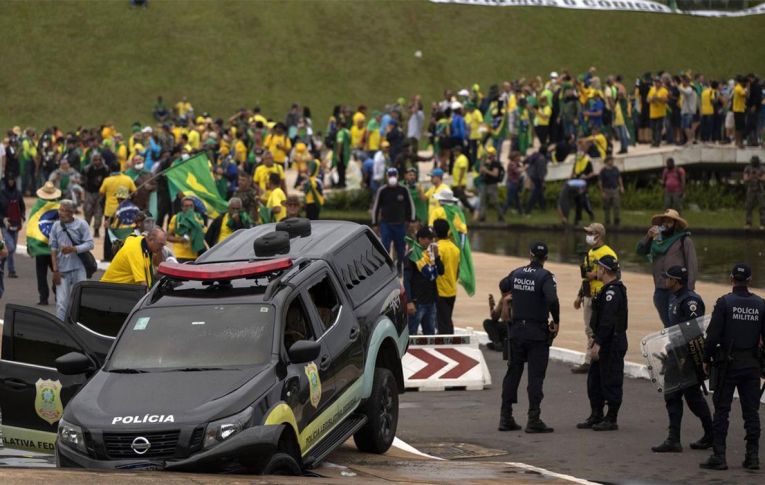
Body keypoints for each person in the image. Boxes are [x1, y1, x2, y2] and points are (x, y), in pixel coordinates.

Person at [700, 263, 764, 471]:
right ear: (750, 281)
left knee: (722, 411)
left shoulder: (725, 303)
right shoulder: (761, 305)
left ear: (731, 279)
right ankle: (752, 456)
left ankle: (719, 455)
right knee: (751, 412)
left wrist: (705, 359)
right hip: (752, 364)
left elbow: (712, 337)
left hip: (727, 364)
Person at [498, 242, 559, 433]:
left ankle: (505, 417)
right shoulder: (545, 276)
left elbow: (503, 284)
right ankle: (533, 419)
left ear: (530, 255)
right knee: (535, 376)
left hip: (516, 331)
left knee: (513, 373)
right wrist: (556, 320)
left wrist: (508, 298)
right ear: (546, 259)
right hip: (536, 333)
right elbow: (551, 299)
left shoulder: (516, 273)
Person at [651, 266, 713, 453]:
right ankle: (673, 439)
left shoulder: (691, 301)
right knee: (672, 395)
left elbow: (693, 332)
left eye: (668, 278)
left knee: (693, 398)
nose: (665, 281)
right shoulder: (674, 297)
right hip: (674, 354)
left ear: (676, 281)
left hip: (686, 357)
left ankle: (711, 434)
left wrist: (687, 358)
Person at [576, 255, 627, 432]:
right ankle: (596, 414)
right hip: (603, 340)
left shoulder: (613, 292)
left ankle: (611, 418)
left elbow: (608, 321)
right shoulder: (606, 290)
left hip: (611, 342)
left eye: (598, 268)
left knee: (611, 379)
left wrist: (597, 343)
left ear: (603, 270)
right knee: (594, 381)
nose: (595, 271)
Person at [636, 209, 697, 327]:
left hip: (678, 291)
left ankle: (681, 345)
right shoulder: (656, 240)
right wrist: (648, 236)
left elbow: (692, 266)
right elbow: (640, 251)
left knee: (680, 325)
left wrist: (689, 290)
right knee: (668, 325)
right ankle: (672, 345)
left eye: (669, 221)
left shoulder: (684, 240)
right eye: (664, 221)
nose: (666, 224)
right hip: (660, 289)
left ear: (676, 224)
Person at [571, 223, 618, 374]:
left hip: (602, 295)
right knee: (589, 329)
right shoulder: (590, 252)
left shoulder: (608, 253)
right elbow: (586, 277)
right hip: (589, 295)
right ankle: (591, 359)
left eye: (590, 233)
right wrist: (580, 296)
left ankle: (592, 360)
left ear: (598, 235)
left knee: (600, 329)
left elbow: (616, 275)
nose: (588, 235)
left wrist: (596, 275)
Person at [48, 200, 94, 321]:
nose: (60, 213)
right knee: (61, 303)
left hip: (79, 269)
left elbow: (90, 244)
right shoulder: (56, 226)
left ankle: (78, 326)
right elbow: (53, 250)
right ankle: (61, 330)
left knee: (79, 299)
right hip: (62, 270)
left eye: (64, 210)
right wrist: (55, 270)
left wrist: (74, 249)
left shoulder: (81, 224)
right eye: (60, 210)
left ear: (72, 212)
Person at [372, 167, 415, 275]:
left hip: (400, 225)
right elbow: (376, 207)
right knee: (385, 246)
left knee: (400, 248)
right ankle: (387, 268)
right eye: (390, 175)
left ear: (398, 176)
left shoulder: (404, 190)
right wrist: (374, 223)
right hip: (386, 224)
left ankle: (399, 265)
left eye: (394, 175)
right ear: (387, 177)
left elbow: (410, 206)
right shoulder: (382, 190)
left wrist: (411, 220)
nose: (392, 178)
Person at [404, 227, 443, 336]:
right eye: (427, 239)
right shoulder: (412, 255)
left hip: (431, 301)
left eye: (432, 239)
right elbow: (406, 280)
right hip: (417, 302)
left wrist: (437, 257)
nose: (430, 241)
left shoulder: (430, 255)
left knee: (430, 334)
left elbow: (441, 271)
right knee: (411, 334)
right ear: (420, 239)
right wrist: (409, 301)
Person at [101, 227, 167, 288]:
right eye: (160, 244)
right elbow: (143, 285)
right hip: (109, 289)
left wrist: (160, 248)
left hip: (121, 289)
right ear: (151, 240)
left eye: (163, 245)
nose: (162, 248)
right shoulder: (136, 252)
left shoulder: (142, 241)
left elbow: (158, 264)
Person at [433, 218, 460, 335]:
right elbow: (457, 270)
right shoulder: (455, 249)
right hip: (452, 290)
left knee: (443, 323)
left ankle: (447, 348)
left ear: (435, 232)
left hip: (440, 290)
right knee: (447, 319)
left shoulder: (436, 248)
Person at [167, 197, 206, 262]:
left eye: (191, 206)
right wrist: (180, 240)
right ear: (182, 207)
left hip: (194, 255)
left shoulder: (198, 218)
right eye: (186, 206)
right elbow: (168, 237)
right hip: (179, 255)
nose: (189, 208)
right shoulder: (176, 218)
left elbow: (203, 233)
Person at [0, 177, 25, 278]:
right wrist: (3, 219)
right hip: (4, 224)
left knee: (12, 249)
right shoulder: (1, 194)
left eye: (12, 180)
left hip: (16, 223)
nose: (11, 182)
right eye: (9, 180)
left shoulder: (18, 193)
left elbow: (22, 207)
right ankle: (9, 267)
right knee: (11, 247)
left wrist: (22, 218)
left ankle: (11, 271)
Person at [81, 152, 110, 238]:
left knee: (99, 212)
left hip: (100, 193)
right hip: (89, 193)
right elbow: (82, 179)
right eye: (94, 160)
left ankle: (96, 230)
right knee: (87, 211)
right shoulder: (87, 169)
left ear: (101, 160)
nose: (96, 162)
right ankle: (85, 231)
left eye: (98, 160)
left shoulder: (106, 169)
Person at [477, 146, 504, 222]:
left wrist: (486, 171)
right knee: (483, 201)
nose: (488, 155)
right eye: (488, 153)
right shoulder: (485, 162)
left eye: (490, 154)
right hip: (485, 183)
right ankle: (482, 217)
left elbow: (495, 174)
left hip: (492, 184)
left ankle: (500, 215)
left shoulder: (495, 163)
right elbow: (480, 172)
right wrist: (482, 166)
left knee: (495, 201)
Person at [598, 156, 624, 226]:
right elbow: (600, 182)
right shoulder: (603, 171)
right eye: (611, 160)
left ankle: (617, 220)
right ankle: (607, 221)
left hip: (615, 189)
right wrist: (602, 192)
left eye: (612, 160)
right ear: (607, 161)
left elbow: (619, 178)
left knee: (616, 205)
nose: (612, 162)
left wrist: (621, 186)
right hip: (606, 190)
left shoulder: (615, 169)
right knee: (606, 206)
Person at [743, 155, 765, 230]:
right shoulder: (748, 168)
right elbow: (745, 179)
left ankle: (763, 224)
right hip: (751, 189)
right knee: (749, 207)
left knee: (762, 207)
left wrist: (757, 177)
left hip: (760, 190)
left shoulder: (762, 168)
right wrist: (751, 176)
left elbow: (764, 179)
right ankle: (748, 223)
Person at [648, 77, 669, 147]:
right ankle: (653, 141)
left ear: (661, 83)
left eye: (658, 82)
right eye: (656, 82)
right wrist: (651, 99)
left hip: (660, 113)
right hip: (652, 113)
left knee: (658, 128)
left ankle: (657, 142)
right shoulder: (652, 89)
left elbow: (666, 100)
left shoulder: (664, 90)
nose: (657, 84)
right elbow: (647, 99)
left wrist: (657, 98)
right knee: (653, 128)